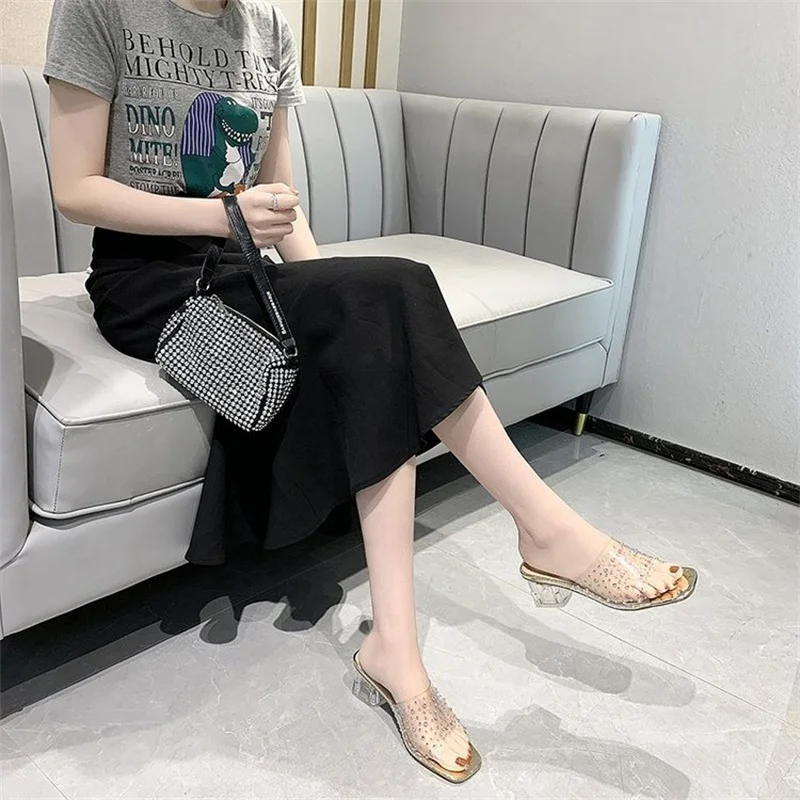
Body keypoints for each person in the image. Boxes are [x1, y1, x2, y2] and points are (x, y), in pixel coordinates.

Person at [45, 0, 696, 783]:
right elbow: (74, 188)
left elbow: (279, 200)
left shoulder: (269, 27)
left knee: (382, 312)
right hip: (149, 287)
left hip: (246, 267)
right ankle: (542, 537)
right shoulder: (100, 7)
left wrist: (332, 294)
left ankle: (399, 649)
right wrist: (224, 219)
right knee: (385, 300)